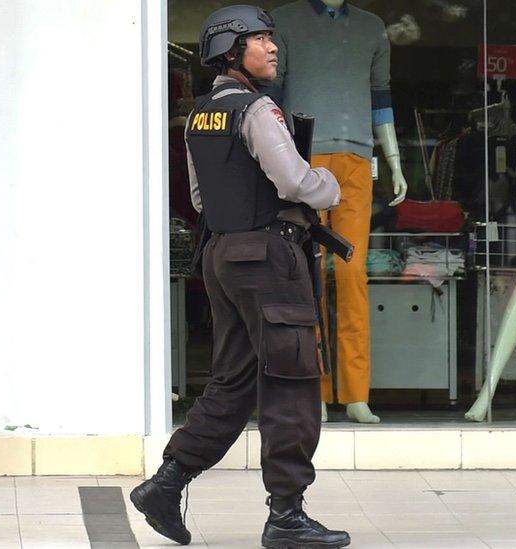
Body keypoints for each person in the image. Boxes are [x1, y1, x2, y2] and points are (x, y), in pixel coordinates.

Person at [129, 5, 350, 548]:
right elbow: (296, 183)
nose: (273, 47)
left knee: (234, 381)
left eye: (273, 39)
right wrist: (330, 184)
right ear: (232, 52)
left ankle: (167, 482)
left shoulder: (201, 114)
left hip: (223, 254)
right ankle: (287, 516)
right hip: (269, 259)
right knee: (291, 382)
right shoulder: (258, 110)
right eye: (261, 39)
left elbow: (202, 198)